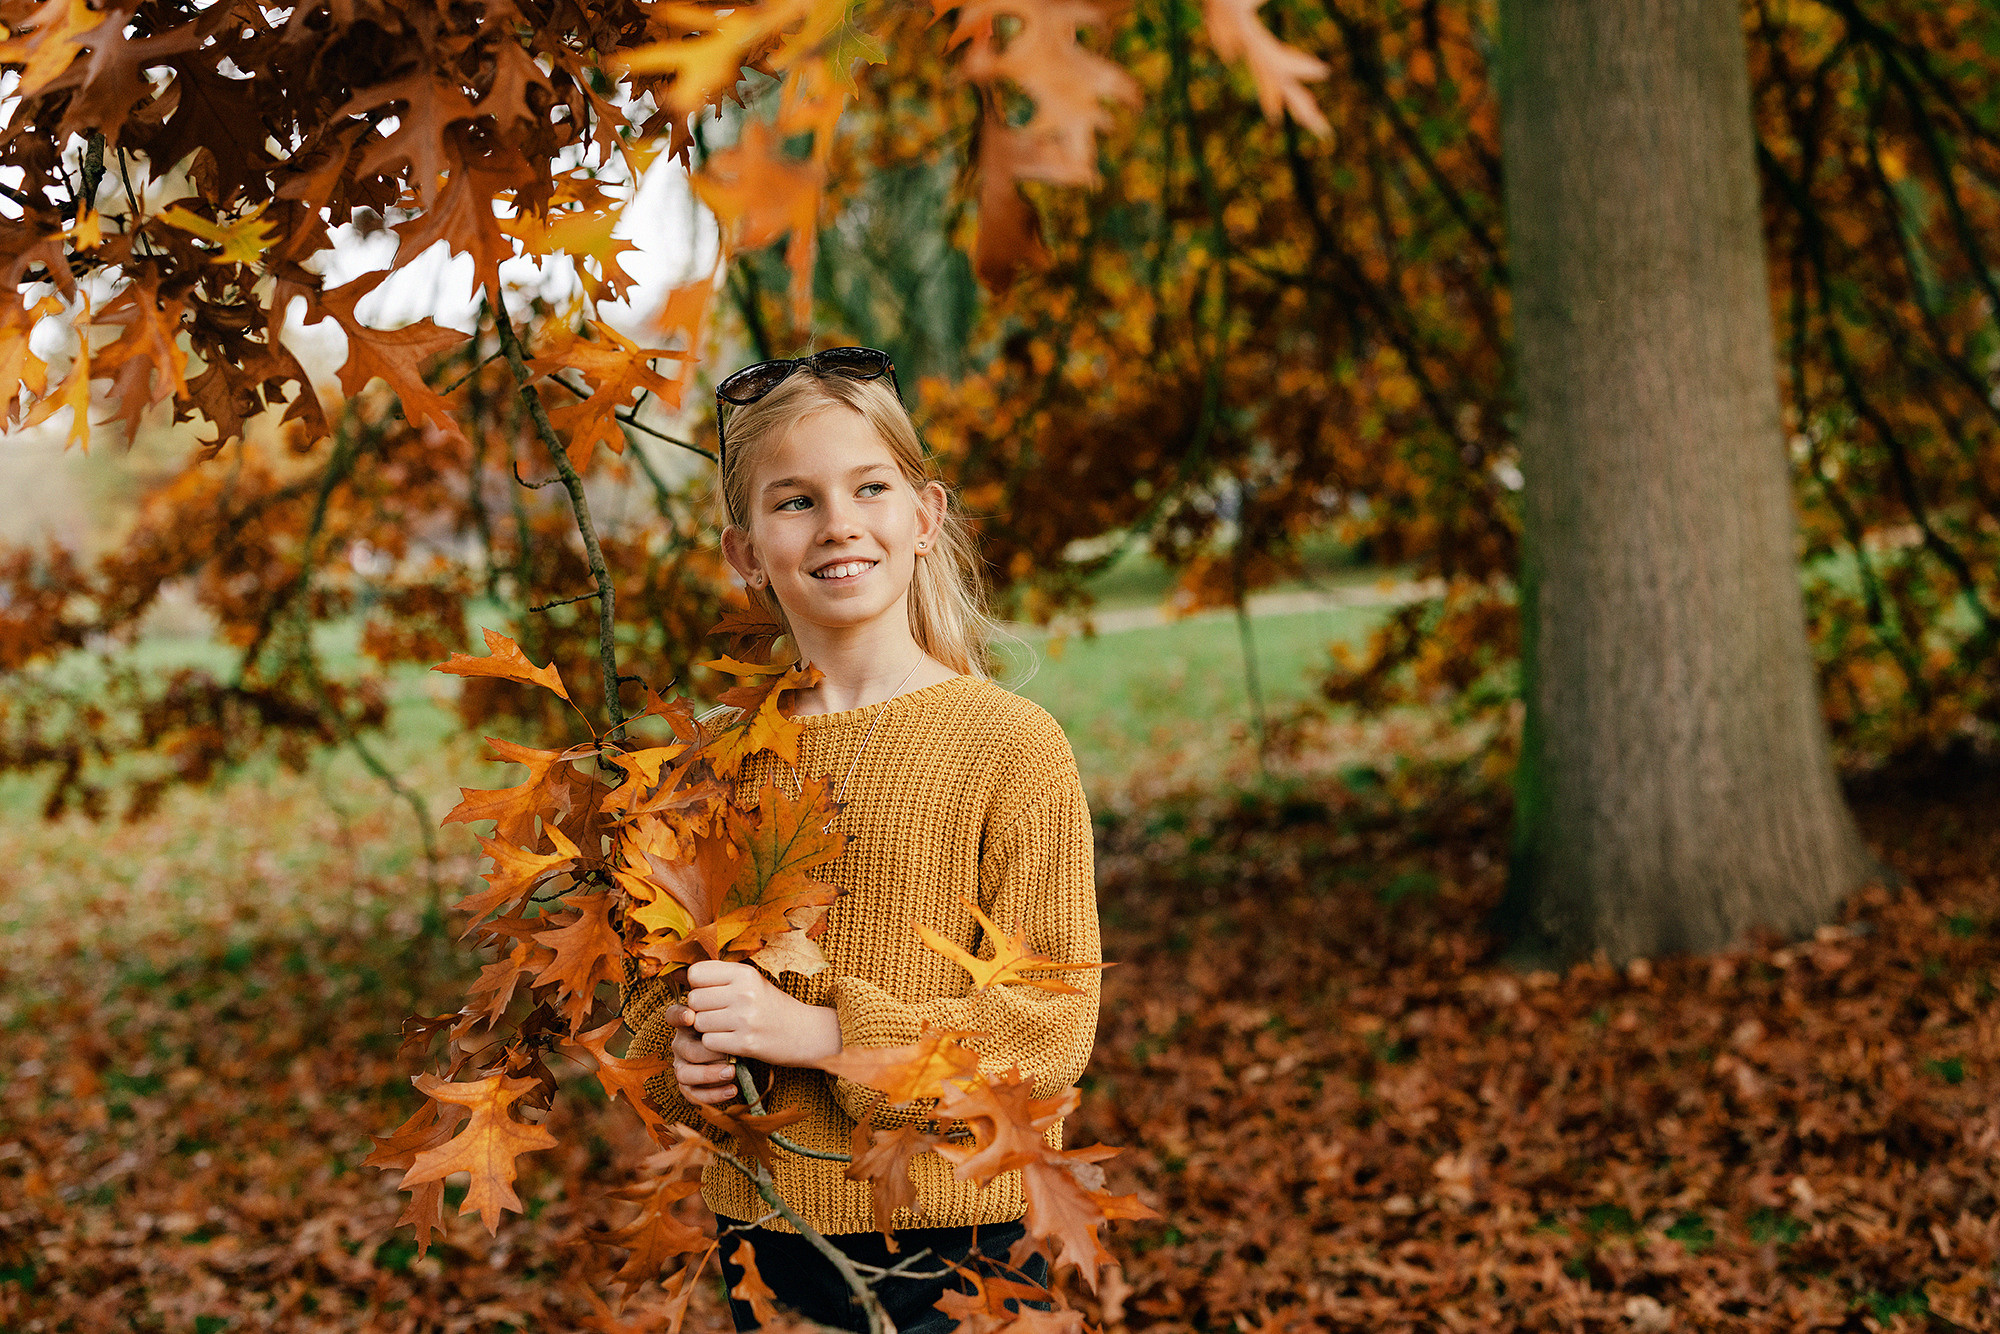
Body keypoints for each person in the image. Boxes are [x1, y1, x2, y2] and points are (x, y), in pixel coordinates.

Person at [620, 349, 1103, 1334]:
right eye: (794, 500)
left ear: (922, 517)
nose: (838, 522)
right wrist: (682, 1059)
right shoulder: (706, 765)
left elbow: (1047, 1027)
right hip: (768, 1226)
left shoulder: (1006, 745)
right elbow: (652, 1002)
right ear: (745, 550)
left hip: (961, 1231)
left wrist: (827, 1035)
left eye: (867, 487)